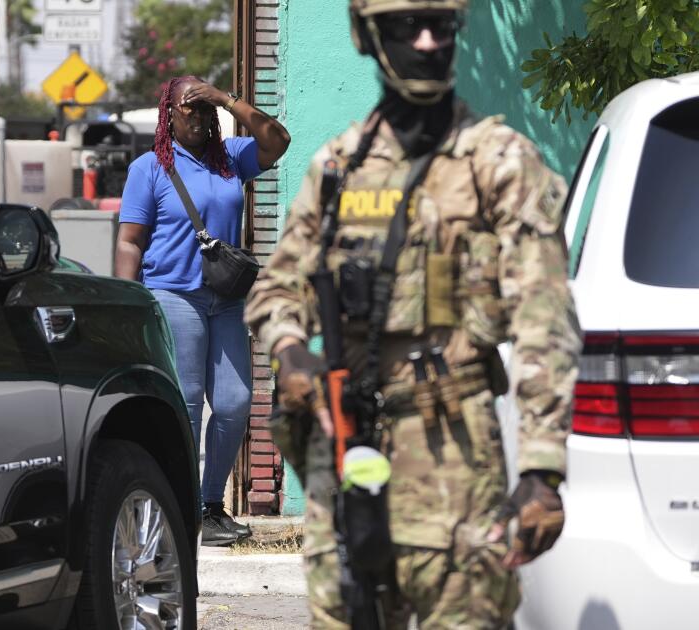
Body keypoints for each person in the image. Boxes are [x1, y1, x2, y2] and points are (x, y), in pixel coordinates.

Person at [245, 0, 581, 626]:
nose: (427, 43)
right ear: (367, 36)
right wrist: (291, 350)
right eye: (406, 27)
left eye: (442, 27)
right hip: (345, 456)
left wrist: (541, 470)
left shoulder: (500, 163)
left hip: (455, 460)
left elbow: (545, 322)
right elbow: (276, 289)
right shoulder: (339, 169)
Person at [116, 76, 291, 546]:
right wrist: (129, 303)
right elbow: (130, 242)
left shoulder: (231, 158)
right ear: (168, 115)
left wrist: (224, 99)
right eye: (187, 109)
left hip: (226, 299)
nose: (196, 118)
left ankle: (212, 507)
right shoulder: (150, 168)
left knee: (235, 403)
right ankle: (181, 506)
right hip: (173, 294)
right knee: (188, 403)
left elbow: (279, 141)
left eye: (203, 110)